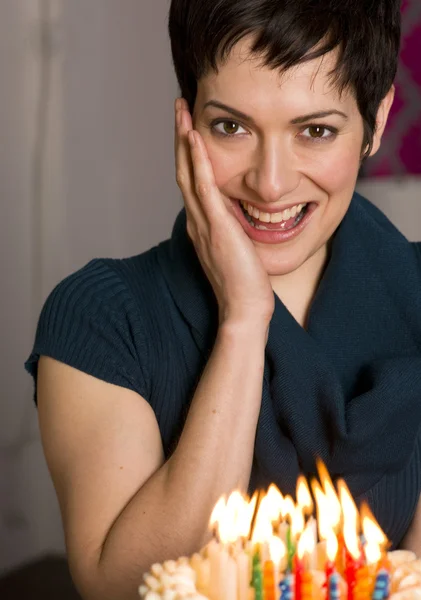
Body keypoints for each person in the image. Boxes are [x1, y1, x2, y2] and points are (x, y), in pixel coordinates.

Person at [25, 1, 421, 599]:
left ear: (378, 119)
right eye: (230, 126)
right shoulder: (102, 317)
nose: (271, 181)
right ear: (186, 122)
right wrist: (243, 320)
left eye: (316, 131)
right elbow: (124, 588)